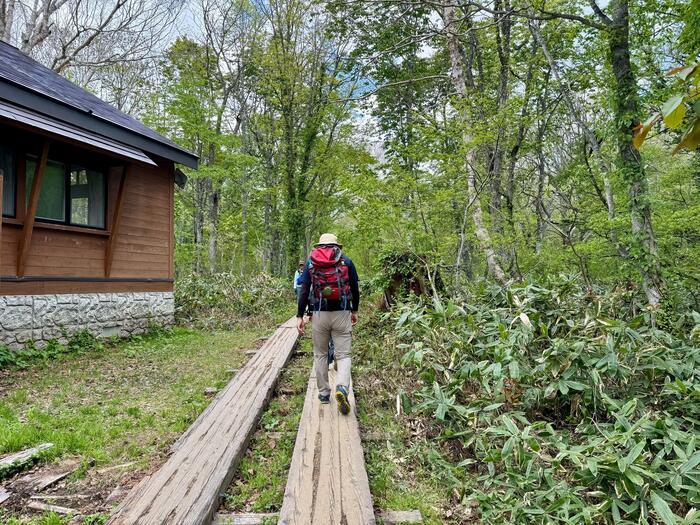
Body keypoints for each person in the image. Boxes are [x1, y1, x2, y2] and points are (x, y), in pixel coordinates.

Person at [297, 233, 359, 414]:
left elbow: (304, 291)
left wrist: (300, 315)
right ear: (336, 245)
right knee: (344, 355)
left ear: (320, 246)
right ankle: (342, 387)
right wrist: (354, 310)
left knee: (321, 354)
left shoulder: (311, 263)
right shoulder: (346, 262)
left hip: (318, 314)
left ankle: (324, 394)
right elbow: (354, 288)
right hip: (342, 312)